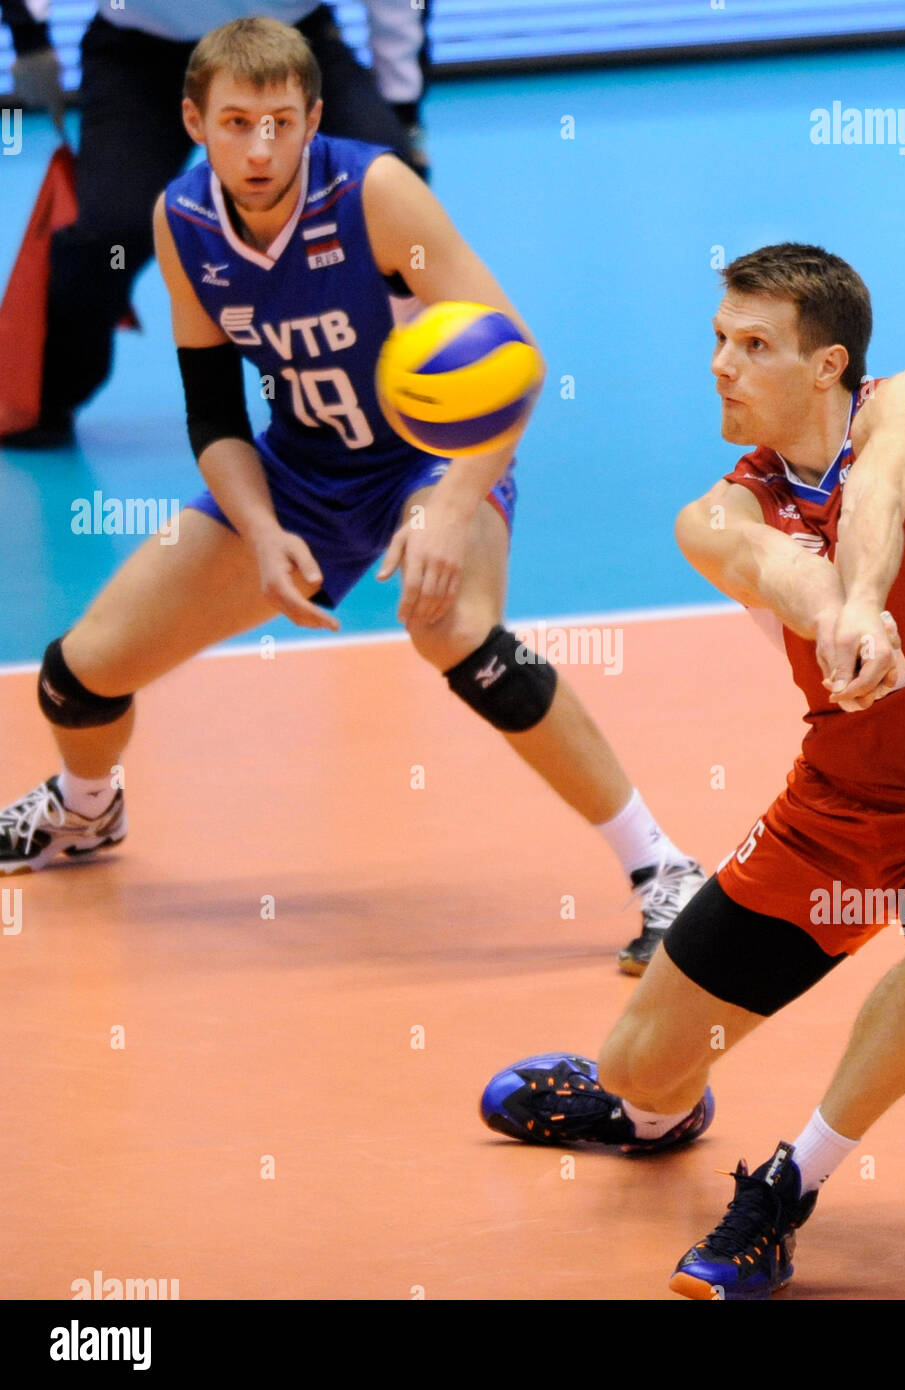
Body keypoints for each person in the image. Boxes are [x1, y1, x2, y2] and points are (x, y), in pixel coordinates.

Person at [0, 18, 705, 972]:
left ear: (312, 118)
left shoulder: (374, 192)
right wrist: (257, 532)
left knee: (455, 634)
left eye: (281, 122)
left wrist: (452, 505)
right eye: (237, 121)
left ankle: (662, 870)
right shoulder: (182, 221)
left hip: (428, 460)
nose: (259, 148)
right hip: (298, 474)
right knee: (76, 678)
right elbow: (215, 420)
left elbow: (516, 360)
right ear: (193, 121)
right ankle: (86, 811)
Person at [481, 242, 905, 1298]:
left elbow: (884, 495)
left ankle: (788, 1186)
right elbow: (776, 567)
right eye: (718, 340)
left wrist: (865, 598)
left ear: (829, 366)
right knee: (637, 1067)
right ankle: (652, 1115)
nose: (722, 364)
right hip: (832, 815)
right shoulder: (716, 513)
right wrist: (838, 613)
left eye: (755, 345)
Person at [0, 0, 428, 449]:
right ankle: (44, 400)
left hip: (287, 46)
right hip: (142, 56)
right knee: (109, 233)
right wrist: (29, 38)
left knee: (392, 189)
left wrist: (402, 106)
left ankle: (408, 377)